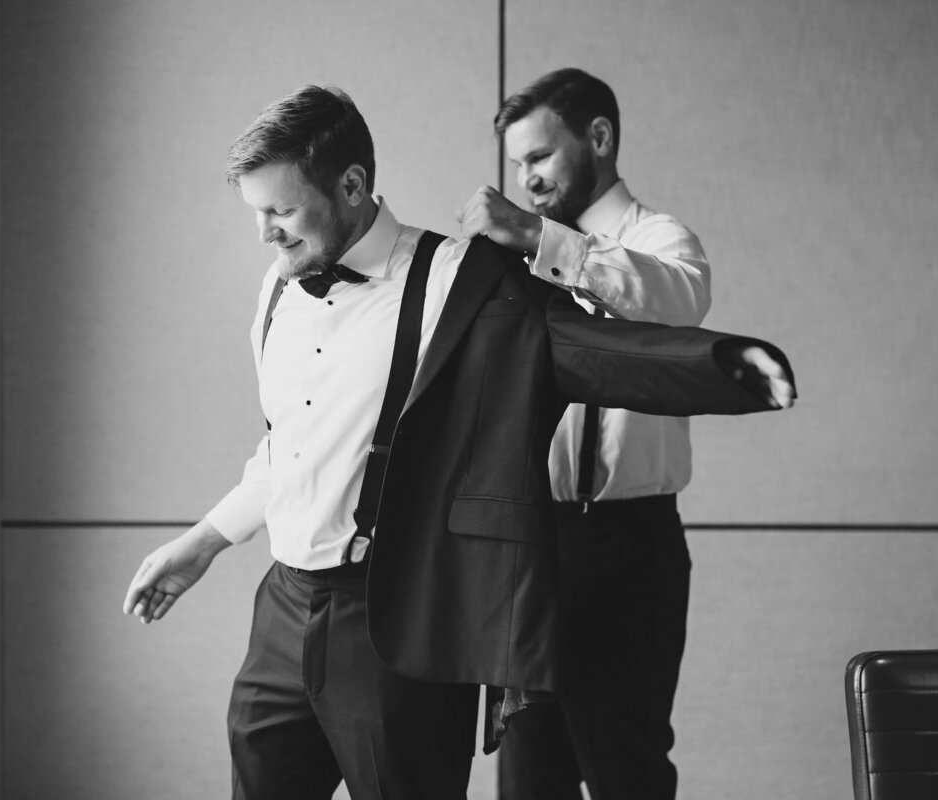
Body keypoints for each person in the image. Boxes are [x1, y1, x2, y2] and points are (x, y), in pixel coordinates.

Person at [123, 84, 795, 800]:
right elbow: (286, 449)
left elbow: (591, 348)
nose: (266, 233)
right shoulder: (278, 288)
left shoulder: (457, 279)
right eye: (257, 214)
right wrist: (200, 542)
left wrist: (725, 369)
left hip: (399, 613)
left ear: (352, 185)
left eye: (280, 210)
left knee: (620, 763)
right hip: (281, 613)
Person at [457, 67, 709, 800]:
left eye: (538, 157)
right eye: (516, 167)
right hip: (529, 550)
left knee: (625, 769)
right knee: (528, 776)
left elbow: (675, 304)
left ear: (598, 138)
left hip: (627, 546)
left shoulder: (660, 241)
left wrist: (542, 237)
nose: (525, 180)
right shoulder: (508, 263)